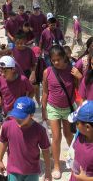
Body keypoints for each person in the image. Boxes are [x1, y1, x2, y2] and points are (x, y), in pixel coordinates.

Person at [41, 45, 76, 179]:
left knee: (68, 135)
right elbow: (45, 92)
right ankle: (56, 165)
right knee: (56, 137)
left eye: (58, 59)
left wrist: (79, 76)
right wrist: (43, 110)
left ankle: (75, 160)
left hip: (68, 108)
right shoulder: (47, 72)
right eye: (53, 60)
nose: (56, 62)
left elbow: (80, 89)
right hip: (53, 107)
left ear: (64, 58)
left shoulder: (72, 70)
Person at [0, 96, 51, 181]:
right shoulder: (7, 126)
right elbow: (4, 142)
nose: (18, 119)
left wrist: (48, 170)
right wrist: (0, 160)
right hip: (13, 171)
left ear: (31, 115)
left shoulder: (40, 130)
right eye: (16, 115)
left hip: (32, 171)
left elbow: (45, 150)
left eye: (22, 117)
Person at [68, 101, 93, 181]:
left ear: (87, 127)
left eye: (77, 123)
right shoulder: (80, 135)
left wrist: (85, 179)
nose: (76, 125)